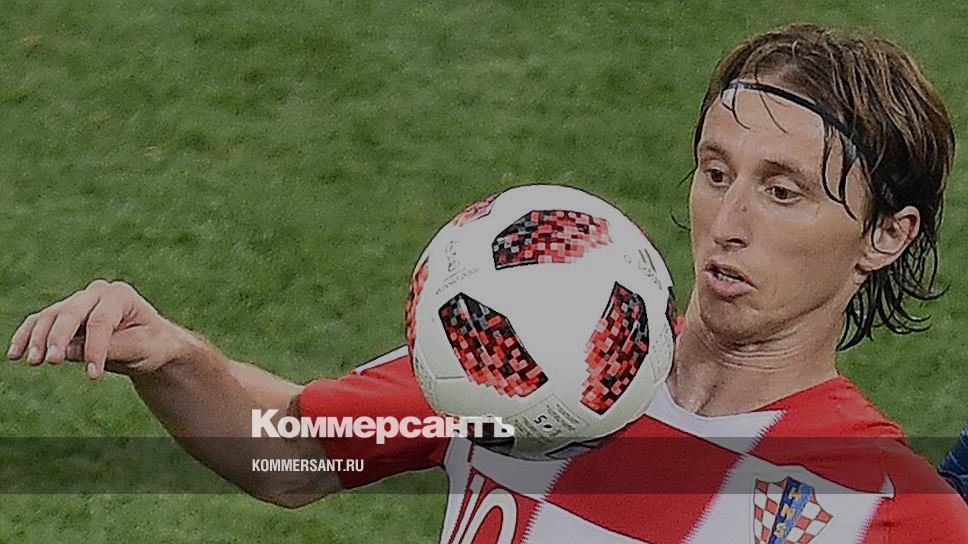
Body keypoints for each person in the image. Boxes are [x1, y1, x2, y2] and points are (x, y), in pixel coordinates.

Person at [7, 23, 968, 542]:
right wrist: (170, 357)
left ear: (886, 236)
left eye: (784, 192)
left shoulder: (887, 503)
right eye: (716, 173)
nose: (730, 220)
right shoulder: (539, 353)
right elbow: (292, 454)